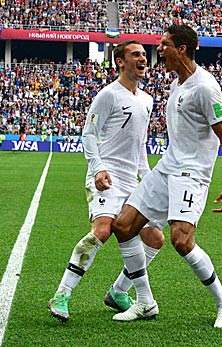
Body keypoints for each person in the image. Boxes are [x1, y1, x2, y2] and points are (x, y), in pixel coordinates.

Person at [110, 24, 222, 328]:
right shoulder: (177, 83)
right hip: (167, 167)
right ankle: (144, 302)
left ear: (181, 49)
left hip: (191, 174)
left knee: (181, 241)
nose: (159, 49)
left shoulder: (205, 87)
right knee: (124, 225)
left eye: (164, 44)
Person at [48, 40, 164, 322]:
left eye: (143, 54)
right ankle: (62, 294)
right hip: (106, 176)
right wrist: (97, 167)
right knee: (102, 230)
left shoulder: (147, 100)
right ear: (120, 62)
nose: (143, 58)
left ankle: (118, 291)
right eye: (135, 54)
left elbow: (140, 145)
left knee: (154, 237)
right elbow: (89, 134)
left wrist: (147, 178)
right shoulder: (108, 95)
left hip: (131, 179)